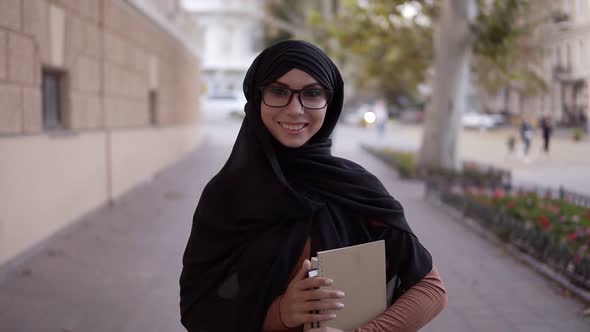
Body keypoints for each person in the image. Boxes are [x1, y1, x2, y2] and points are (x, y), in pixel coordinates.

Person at [179, 40, 447, 332]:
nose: (295, 109)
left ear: (330, 103)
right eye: (278, 91)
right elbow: (198, 310)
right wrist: (280, 313)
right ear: (257, 99)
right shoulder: (227, 195)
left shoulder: (356, 189)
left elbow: (430, 288)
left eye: (312, 93)